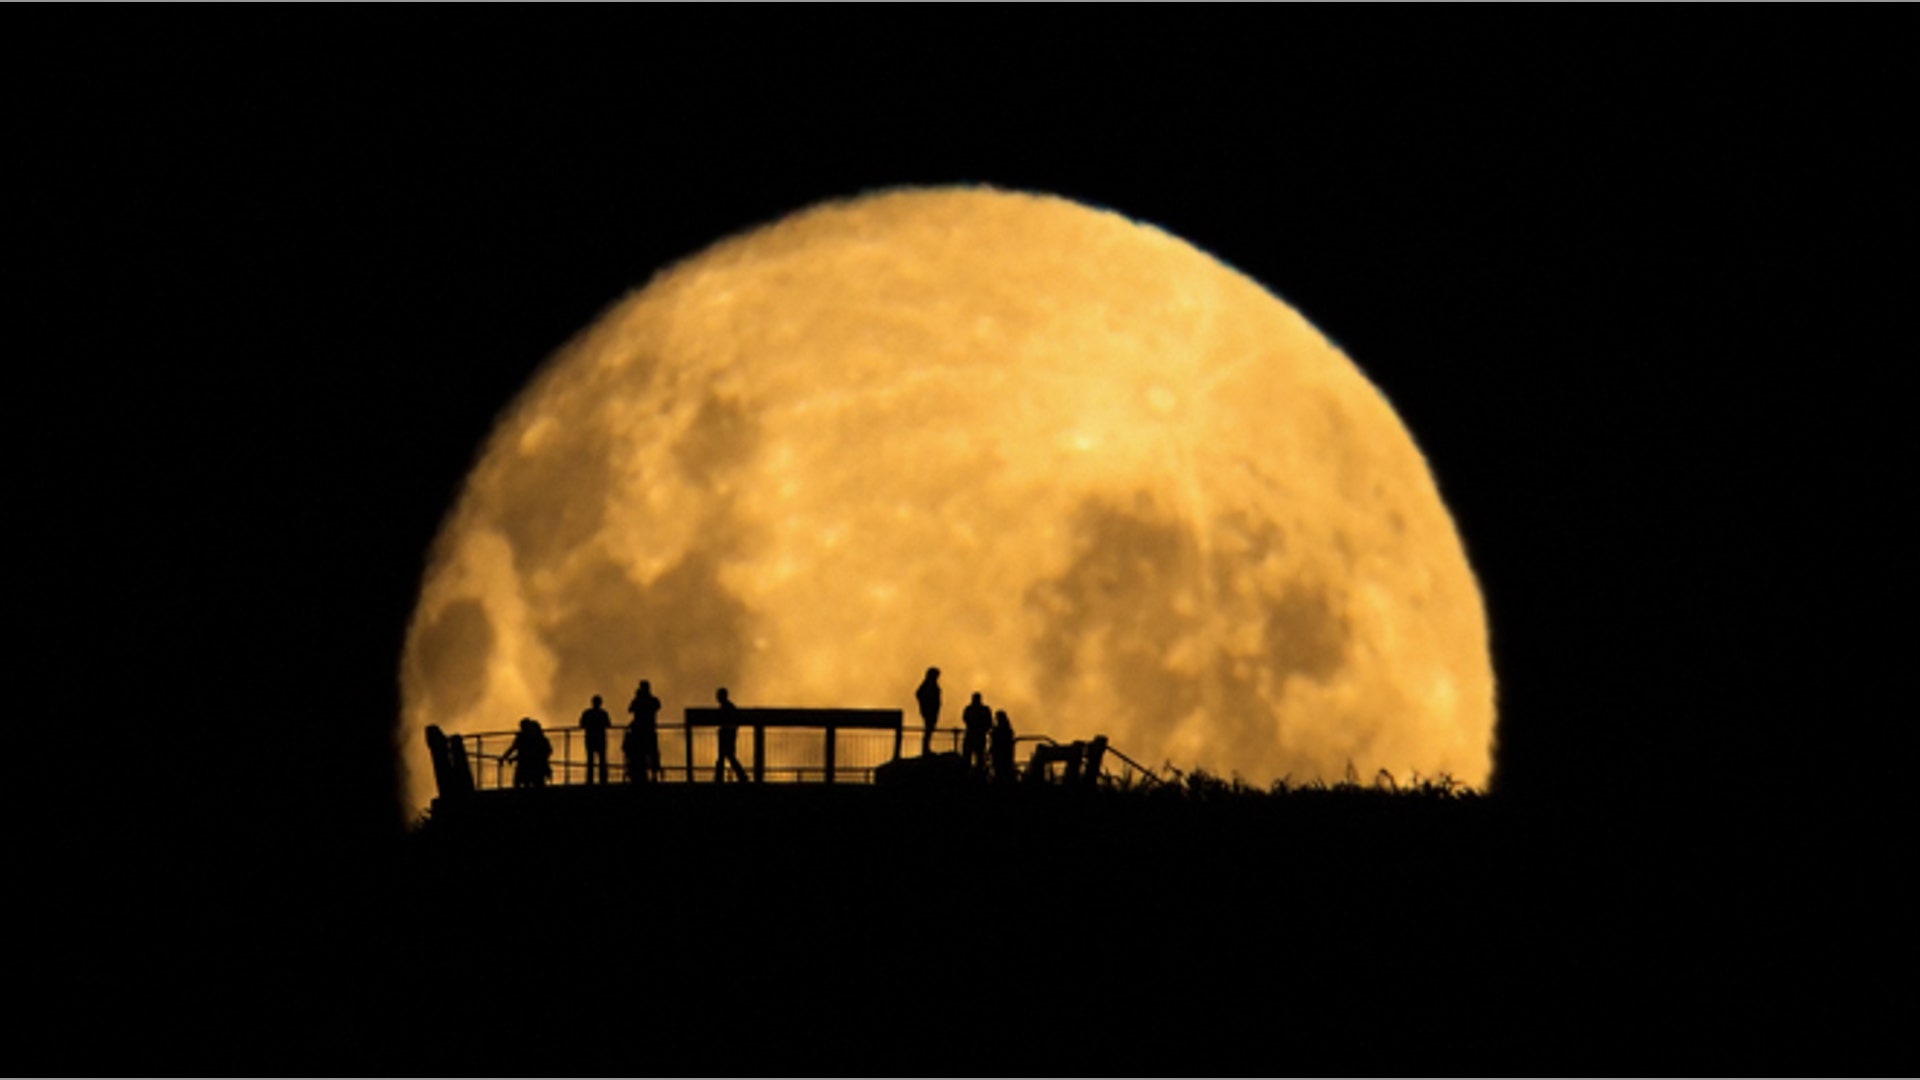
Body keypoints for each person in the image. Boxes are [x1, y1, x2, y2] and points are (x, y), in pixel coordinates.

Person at [624, 679, 663, 782]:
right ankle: (653, 774)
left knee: (641, 754)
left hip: (640, 732)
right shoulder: (652, 700)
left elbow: (630, 709)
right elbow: (657, 706)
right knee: (652, 753)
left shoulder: (639, 700)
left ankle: (643, 773)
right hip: (649, 730)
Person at [500, 717, 553, 789]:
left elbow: (517, 749)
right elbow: (525, 752)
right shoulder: (539, 738)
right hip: (536, 766)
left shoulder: (524, 737)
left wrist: (505, 757)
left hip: (526, 766)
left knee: (520, 783)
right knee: (536, 784)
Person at [713, 687, 748, 783]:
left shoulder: (726, 707)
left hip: (726, 735)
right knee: (728, 756)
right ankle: (741, 776)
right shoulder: (730, 707)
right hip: (729, 734)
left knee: (724, 756)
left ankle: (720, 777)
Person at [579, 694, 613, 784]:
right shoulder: (603, 713)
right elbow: (608, 724)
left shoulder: (587, 713)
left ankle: (589, 780)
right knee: (602, 760)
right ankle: (603, 780)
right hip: (600, 739)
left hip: (590, 739)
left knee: (590, 760)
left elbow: (581, 724)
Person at [961, 691, 992, 776]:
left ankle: (967, 773)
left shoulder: (969, 709)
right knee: (977, 756)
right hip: (978, 736)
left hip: (972, 735)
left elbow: (965, 718)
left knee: (972, 756)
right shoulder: (984, 710)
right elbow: (989, 722)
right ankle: (977, 773)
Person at [915, 667, 942, 756]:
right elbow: (918, 694)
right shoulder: (929, 685)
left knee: (929, 730)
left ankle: (926, 748)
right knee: (928, 730)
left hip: (931, 710)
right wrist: (925, 705)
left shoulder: (929, 684)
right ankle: (925, 749)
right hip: (929, 711)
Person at [990, 709, 1016, 786]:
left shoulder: (999, 730)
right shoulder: (1008, 730)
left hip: (1000, 753)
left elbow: (996, 741)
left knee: (1000, 768)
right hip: (1005, 753)